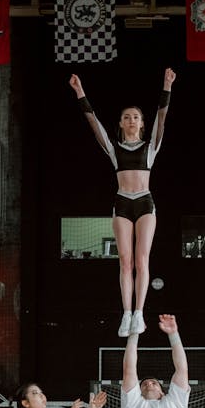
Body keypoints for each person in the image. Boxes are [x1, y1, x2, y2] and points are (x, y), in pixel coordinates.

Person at [69, 69, 175, 336]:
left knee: (142, 260)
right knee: (125, 261)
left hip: (144, 203)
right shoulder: (113, 148)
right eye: (127, 117)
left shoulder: (151, 147)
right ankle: (126, 313)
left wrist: (166, 86)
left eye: (136, 117)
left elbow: (162, 117)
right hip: (122, 203)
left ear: (141, 123)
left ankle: (139, 312)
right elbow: (93, 123)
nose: (131, 120)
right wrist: (80, 92)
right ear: (120, 122)